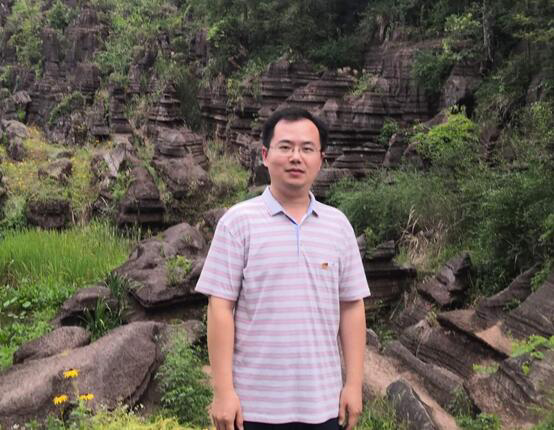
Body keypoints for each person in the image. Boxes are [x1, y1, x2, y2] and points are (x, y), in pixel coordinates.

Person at [195, 107, 370, 430]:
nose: (296, 157)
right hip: (252, 409)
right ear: (265, 155)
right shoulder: (237, 223)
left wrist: (354, 384)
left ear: (321, 159)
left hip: (324, 405)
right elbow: (220, 307)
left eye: (307, 149)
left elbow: (351, 306)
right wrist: (223, 392)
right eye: (285, 147)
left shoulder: (338, 226)